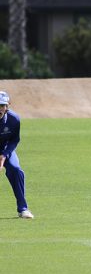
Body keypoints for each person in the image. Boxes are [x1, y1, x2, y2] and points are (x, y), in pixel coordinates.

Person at [0, 91, 34, 219]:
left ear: (7, 106)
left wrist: (4, 155)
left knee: (15, 170)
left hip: (5, 150)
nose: (0, 109)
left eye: (2, 106)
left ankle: (23, 209)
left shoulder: (14, 119)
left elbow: (14, 140)